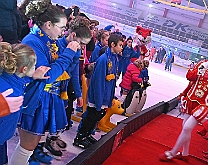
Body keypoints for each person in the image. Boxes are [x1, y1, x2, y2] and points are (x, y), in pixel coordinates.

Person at [9, 1, 81, 164]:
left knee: (31, 145)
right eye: (62, 28)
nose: (63, 32)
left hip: (45, 97)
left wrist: (72, 53)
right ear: (48, 24)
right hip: (35, 98)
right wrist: (69, 53)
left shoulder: (49, 40)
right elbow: (50, 74)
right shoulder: (33, 41)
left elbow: (64, 69)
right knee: (27, 145)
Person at [159, 31, 208, 162]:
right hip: (192, 100)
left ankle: (172, 153)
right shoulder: (204, 64)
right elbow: (190, 77)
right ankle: (185, 154)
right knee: (186, 128)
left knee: (187, 127)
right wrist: (199, 69)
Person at [42, 15, 92, 158]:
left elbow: (75, 73)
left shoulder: (76, 51)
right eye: (82, 44)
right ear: (73, 34)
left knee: (60, 115)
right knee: (45, 116)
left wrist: (79, 94)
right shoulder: (56, 45)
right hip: (50, 88)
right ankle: (39, 145)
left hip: (63, 89)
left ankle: (51, 138)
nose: (82, 48)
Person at [0, 42, 50, 165]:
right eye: (34, 66)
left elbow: (18, 81)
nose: (36, 68)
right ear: (24, 69)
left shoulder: (8, 78)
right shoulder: (11, 92)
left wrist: (32, 78)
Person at [73, 34, 123, 149]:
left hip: (105, 96)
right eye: (120, 45)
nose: (121, 48)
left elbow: (112, 81)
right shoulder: (103, 59)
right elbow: (98, 82)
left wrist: (110, 98)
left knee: (96, 117)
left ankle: (87, 134)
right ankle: (80, 137)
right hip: (97, 97)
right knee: (90, 116)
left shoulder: (114, 58)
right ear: (112, 44)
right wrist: (99, 100)